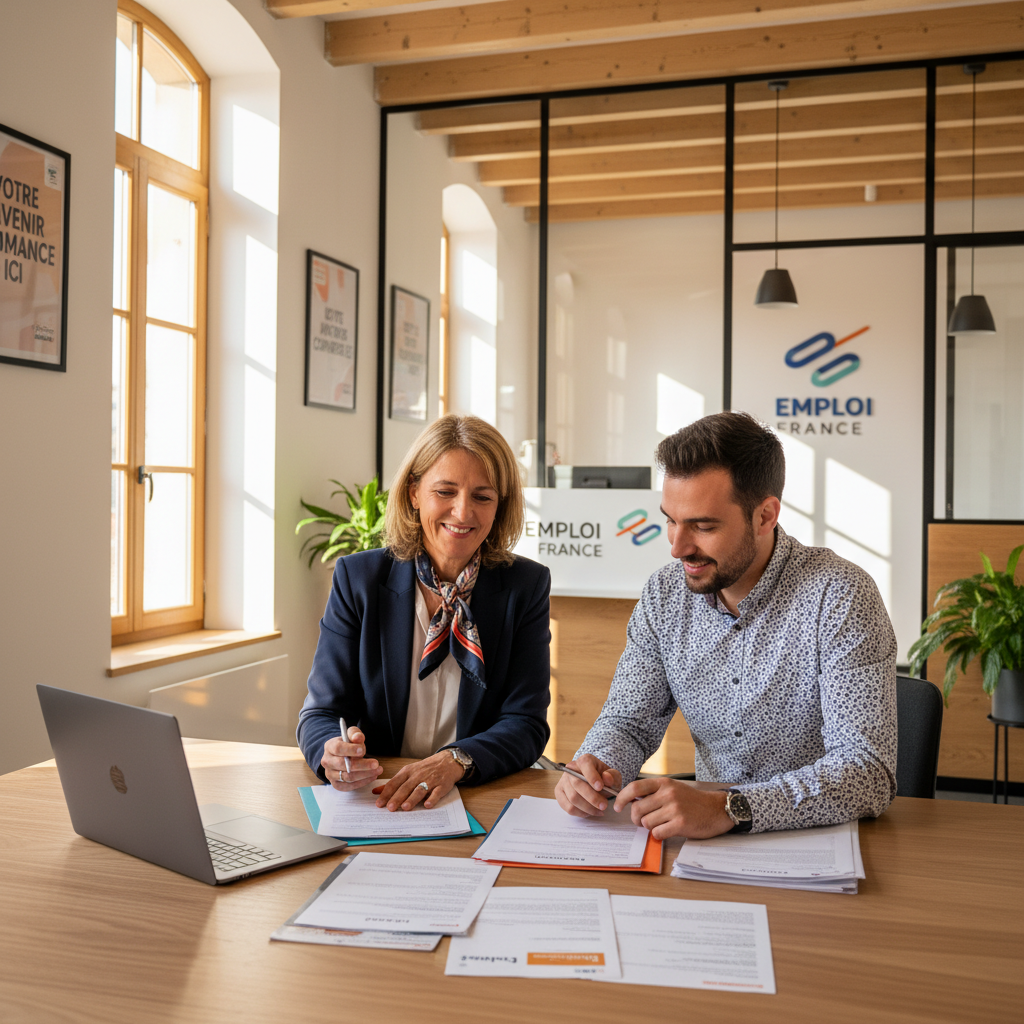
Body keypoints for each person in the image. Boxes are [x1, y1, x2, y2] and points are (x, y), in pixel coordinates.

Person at [555, 411, 897, 839]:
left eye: (703, 525)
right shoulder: (664, 596)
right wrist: (596, 765)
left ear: (765, 516)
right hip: (706, 844)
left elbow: (867, 771)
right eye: (670, 520)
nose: (678, 547)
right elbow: (628, 723)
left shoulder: (839, 595)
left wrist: (730, 807)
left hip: (818, 844)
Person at [298, 414, 551, 813]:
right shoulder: (359, 578)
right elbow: (322, 711)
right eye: (445, 491)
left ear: (500, 505)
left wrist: (456, 760)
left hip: (475, 796)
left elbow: (526, 723)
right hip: (379, 799)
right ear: (414, 492)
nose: (463, 512)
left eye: (482, 497)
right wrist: (329, 752)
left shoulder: (525, 586)